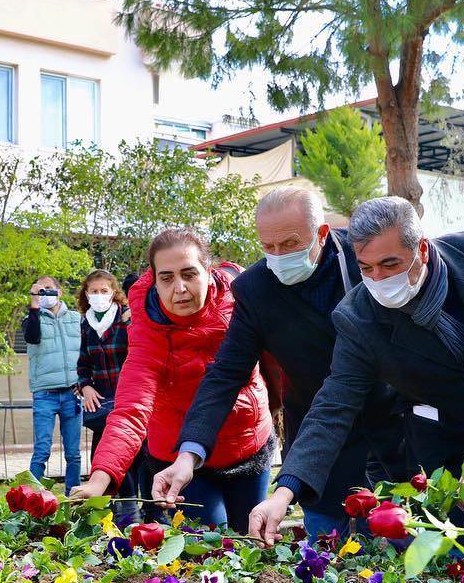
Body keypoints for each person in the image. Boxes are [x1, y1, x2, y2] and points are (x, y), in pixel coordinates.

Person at [245, 196, 464, 545]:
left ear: (422, 250)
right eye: (365, 268)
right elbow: (333, 406)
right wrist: (285, 492)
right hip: (446, 463)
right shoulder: (359, 317)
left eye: (390, 264)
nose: (378, 279)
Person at [153, 187, 401, 541]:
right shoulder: (255, 290)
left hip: (393, 429)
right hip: (318, 442)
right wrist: (188, 455)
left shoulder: (366, 258)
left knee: (407, 548)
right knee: (328, 553)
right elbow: (225, 375)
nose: (279, 256)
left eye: (290, 244)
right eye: (268, 246)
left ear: (322, 233)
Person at [69, 227, 275, 533]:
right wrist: (100, 479)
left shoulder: (242, 297)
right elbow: (130, 410)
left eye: (189, 274)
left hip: (246, 442)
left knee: (253, 537)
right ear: (154, 280)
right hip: (179, 460)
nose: (179, 288)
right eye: (166, 278)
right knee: (212, 543)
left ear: (208, 271)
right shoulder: (147, 332)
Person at [75, 270, 136, 511]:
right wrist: (86, 386)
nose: (99, 295)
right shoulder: (86, 323)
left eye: (104, 290)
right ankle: (106, 510)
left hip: (129, 398)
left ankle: (133, 510)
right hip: (101, 400)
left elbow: (139, 355)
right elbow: (83, 363)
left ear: (113, 292)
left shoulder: (126, 317)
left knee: (131, 456)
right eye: (94, 291)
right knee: (101, 457)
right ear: (86, 293)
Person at [23, 276, 82, 491]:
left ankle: (73, 497)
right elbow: (31, 337)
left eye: (49, 288)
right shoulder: (32, 318)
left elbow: (88, 351)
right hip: (44, 394)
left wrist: (84, 381)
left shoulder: (76, 319)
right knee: (41, 450)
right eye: (41, 289)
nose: (45, 292)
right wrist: (34, 304)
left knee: (73, 453)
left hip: (72, 393)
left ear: (59, 292)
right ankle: (31, 497)